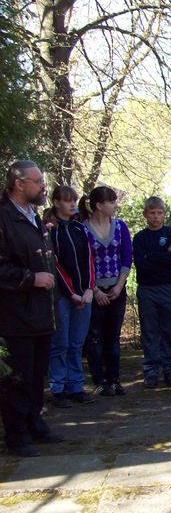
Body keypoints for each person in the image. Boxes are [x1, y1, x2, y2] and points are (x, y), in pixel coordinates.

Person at [0, 161, 65, 457]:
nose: (43, 186)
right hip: (15, 315)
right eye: (37, 181)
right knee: (19, 377)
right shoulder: (4, 219)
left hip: (41, 312)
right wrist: (30, 279)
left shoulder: (34, 217)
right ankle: (17, 435)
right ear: (18, 183)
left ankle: (35, 423)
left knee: (37, 373)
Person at [46, 186, 96, 407]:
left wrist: (88, 288)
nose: (72, 204)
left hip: (83, 295)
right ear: (56, 202)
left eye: (74, 200)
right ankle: (58, 387)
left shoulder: (79, 229)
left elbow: (89, 261)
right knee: (61, 343)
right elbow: (54, 264)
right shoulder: (50, 230)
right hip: (62, 296)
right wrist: (71, 292)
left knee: (77, 342)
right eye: (67, 201)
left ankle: (76, 385)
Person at [82, 186, 132, 396]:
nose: (114, 205)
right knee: (95, 336)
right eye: (111, 202)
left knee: (113, 336)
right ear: (99, 205)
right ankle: (99, 379)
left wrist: (119, 286)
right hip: (94, 291)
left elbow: (127, 257)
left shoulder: (120, 227)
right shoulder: (82, 229)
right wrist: (94, 289)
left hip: (116, 288)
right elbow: (83, 261)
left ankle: (114, 379)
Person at [132, 196, 171, 388]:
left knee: (169, 329)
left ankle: (170, 369)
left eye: (159, 213)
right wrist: (162, 256)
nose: (155, 217)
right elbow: (142, 265)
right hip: (147, 289)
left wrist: (152, 255)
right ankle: (151, 370)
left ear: (164, 214)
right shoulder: (140, 237)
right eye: (152, 213)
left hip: (169, 287)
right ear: (145, 214)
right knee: (150, 331)